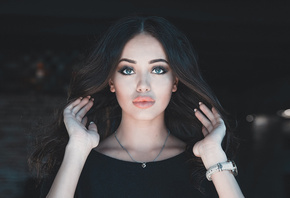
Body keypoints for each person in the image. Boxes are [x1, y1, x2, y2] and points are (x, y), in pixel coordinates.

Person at [29, 16, 244, 198]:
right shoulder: (79, 163)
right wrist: (76, 150)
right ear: (111, 82)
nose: (143, 86)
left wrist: (215, 158)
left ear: (175, 82)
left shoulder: (206, 166)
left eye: (158, 70)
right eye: (127, 70)